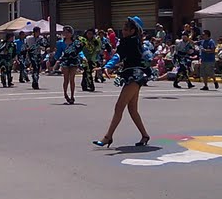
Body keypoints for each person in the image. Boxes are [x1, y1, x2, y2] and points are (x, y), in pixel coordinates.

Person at [93, 16, 152, 149]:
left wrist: (108, 66)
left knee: (119, 106)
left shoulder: (129, 42)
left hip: (134, 77)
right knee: (132, 109)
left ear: (132, 31)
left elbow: (118, 55)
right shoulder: (135, 41)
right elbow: (122, 56)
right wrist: (108, 66)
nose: (123, 31)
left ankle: (108, 137)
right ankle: (145, 135)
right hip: (136, 75)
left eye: (126, 29)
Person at [54, 26, 85, 104]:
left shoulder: (76, 42)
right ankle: (65, 94)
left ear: (71, 33)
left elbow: (79, 51)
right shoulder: (60, 43)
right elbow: (58, 53)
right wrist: (54, 59)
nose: (66, 34)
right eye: (65, 32)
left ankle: (72, 96)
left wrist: (83, 57)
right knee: (66, 79)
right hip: (65, 61)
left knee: (72, 79)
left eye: (68, 32)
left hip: (74, 60)